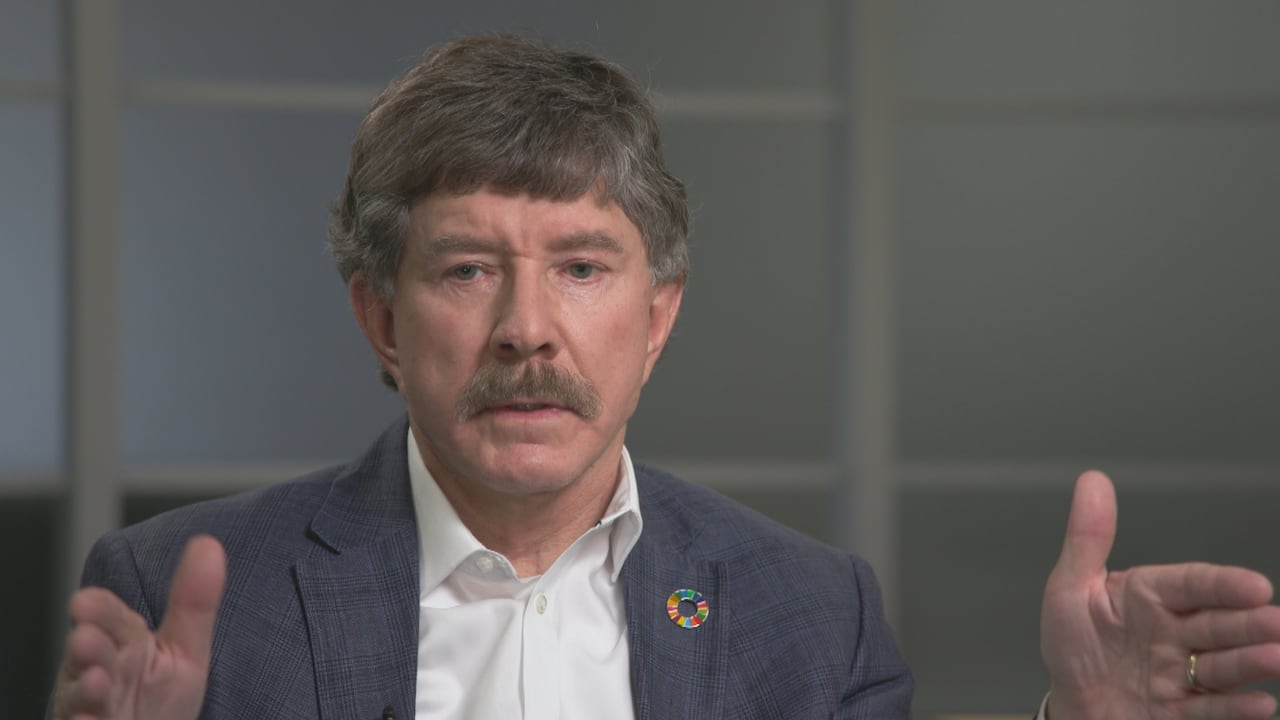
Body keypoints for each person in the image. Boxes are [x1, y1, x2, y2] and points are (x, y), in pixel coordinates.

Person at [50, 33, 1280, 720]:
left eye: (583, 268)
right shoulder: (183, 598)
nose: (528, 331)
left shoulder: (810, 616)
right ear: (379, 315)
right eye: (471, 269)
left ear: (658, 318)